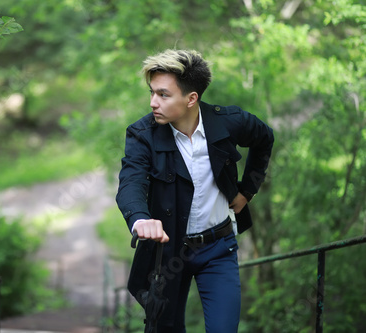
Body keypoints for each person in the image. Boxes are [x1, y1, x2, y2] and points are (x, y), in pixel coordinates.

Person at [116, 49, 274, 332]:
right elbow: (131, 180)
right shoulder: (142, 135)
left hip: (218, 248)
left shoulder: (228, 122)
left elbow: (264, 139)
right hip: (167, 254)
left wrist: (247, 190)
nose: (153, 102)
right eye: (152, 92)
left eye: (163, 95)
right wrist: (140, 219)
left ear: (191, 99)